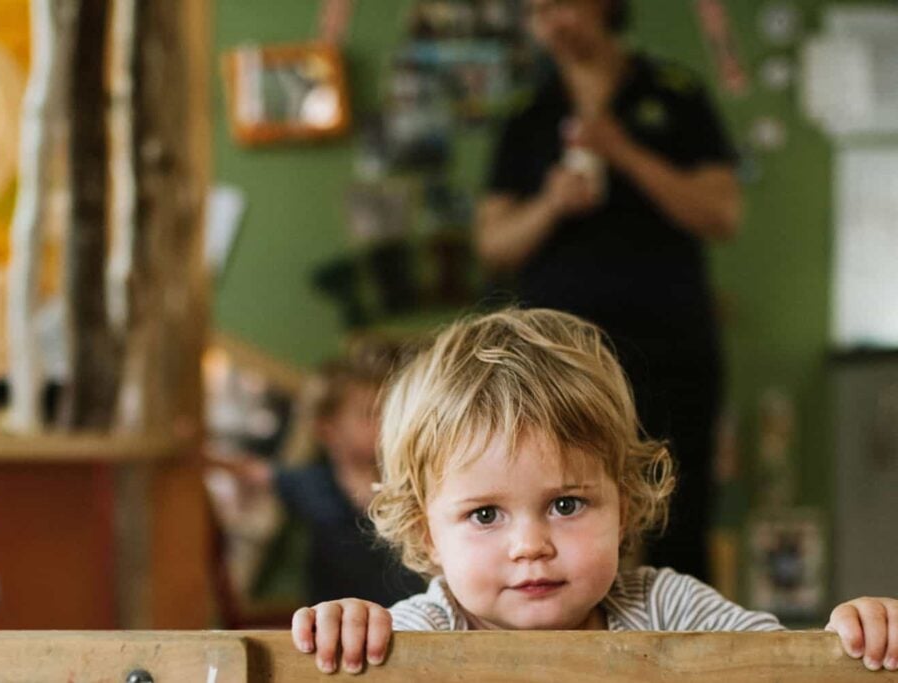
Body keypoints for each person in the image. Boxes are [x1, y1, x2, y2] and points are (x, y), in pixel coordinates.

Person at [287, 309, 898, 675]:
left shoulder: (665, 608)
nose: (531, 546)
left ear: (624, 506)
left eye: (565, 505)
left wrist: (851, 637)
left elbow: (780, 669)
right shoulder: (421, 631)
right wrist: (348, 636)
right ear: (428, 534)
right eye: (485, 514)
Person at [474, 0, 741, 582]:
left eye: (563, 5)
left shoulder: (676, 94)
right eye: (539, 12)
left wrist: (624, 152)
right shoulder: (527, 115)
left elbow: (722, 212)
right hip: (559, 359)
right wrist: (550, 203)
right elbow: (493, 244)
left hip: (672, 344)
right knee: (558, 508)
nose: (555, 23)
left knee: (680, 518)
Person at [211, 338, 424, 607]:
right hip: (336, 621)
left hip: (410, 617)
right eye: (368, 414)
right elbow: (250, 470)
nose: (383, 424)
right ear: (328, 429)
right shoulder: (314, 483)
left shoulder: (407, 483)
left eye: (387, 412)